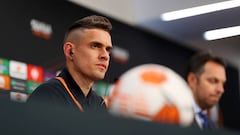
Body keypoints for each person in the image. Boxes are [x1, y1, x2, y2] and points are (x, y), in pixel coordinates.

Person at [27, 15, 113, 112]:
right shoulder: (47, 95)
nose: (105, 55)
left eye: (108, 49)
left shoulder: (99, 104)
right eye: (95, 46)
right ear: (70, 51)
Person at [186, 51, 226, 130]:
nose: (221, 90)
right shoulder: (172, 118)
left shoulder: (214, 127)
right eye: (213, 81)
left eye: (223, 84)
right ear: (192, 80)